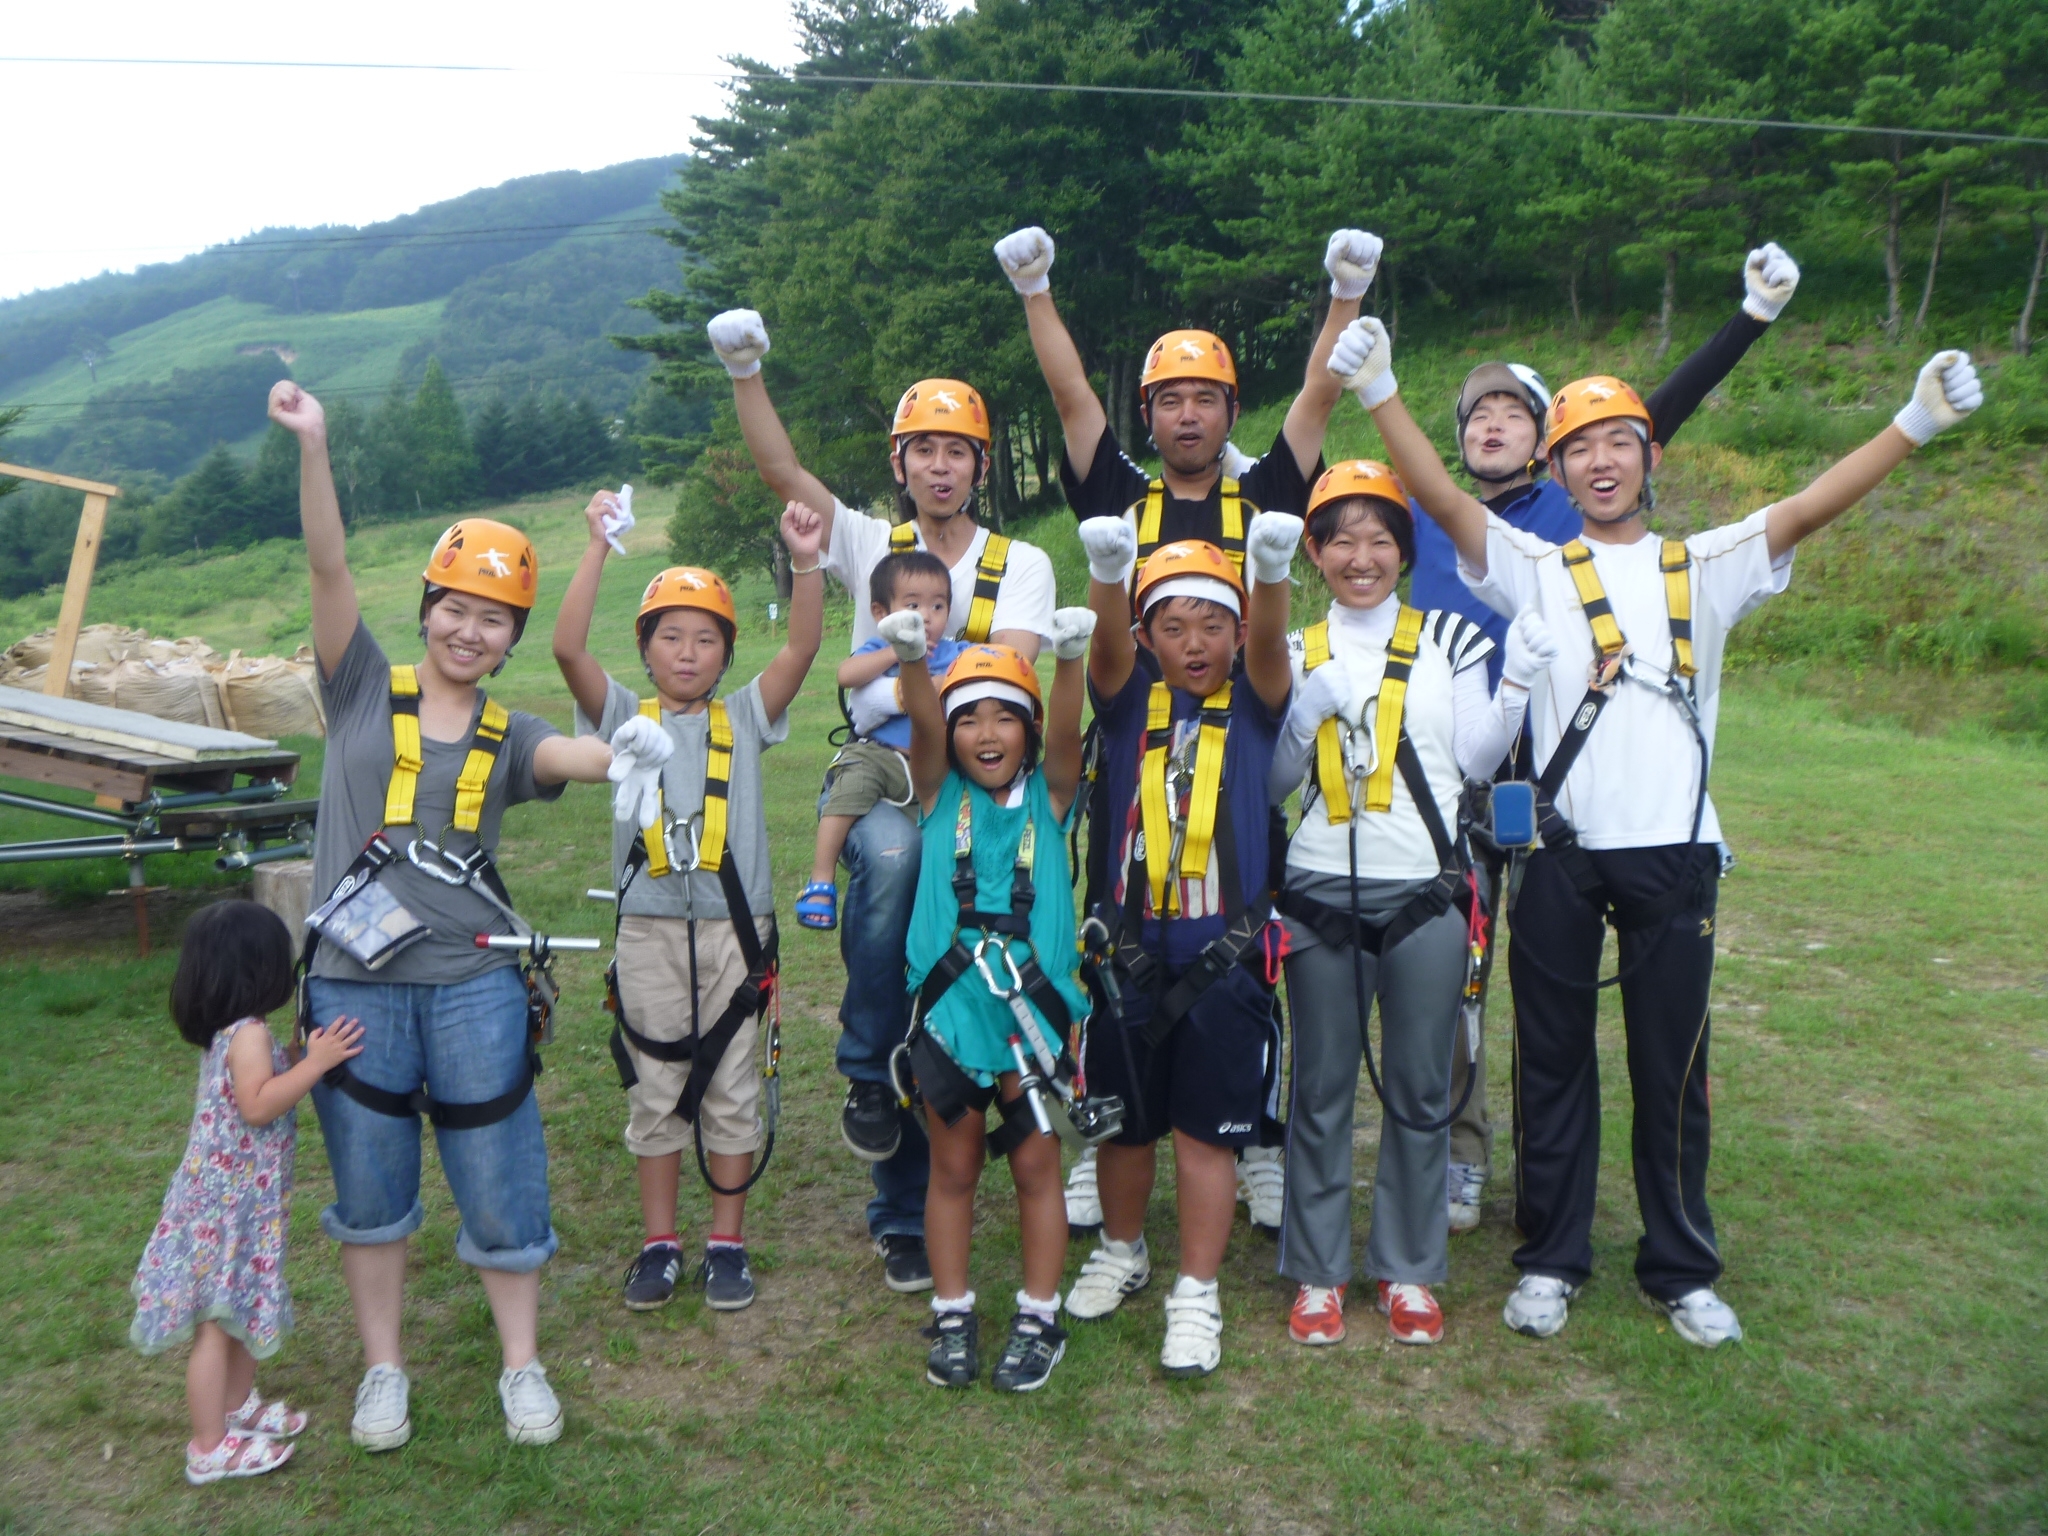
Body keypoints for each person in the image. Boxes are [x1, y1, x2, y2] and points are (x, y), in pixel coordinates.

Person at [1336, 317, 1983, 1346]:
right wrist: (1377, 391)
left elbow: (1808, 507)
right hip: (1556, 850)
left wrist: (1912, 420)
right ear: (1557, 466)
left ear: (1647, 457)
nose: (1597, 462)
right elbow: (1448, 501)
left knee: (1671, 1064)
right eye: (1578, 448)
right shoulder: (1529, 563)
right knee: (1549, 1061)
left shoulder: (1705, 563)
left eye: (1617, 443)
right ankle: (1549, 1256)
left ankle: (1679, 1266)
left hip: (1674, 852)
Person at [995, 223, 1379, 1233]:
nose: (1187, 414)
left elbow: (1317, 400)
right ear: (1151, 413)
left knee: (1243, 931)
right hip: (1134, 737)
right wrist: (1036, 289)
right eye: (1169, 398)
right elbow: (1073, 401)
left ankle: (1245, 1129)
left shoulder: (1264, 496)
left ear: (1226, 410)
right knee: (1118, 931)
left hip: (1246, 740)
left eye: (1204, 397)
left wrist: (1344, 292)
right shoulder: (1123, 498)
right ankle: (1109, 1128)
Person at [268, 381, 630, 1450]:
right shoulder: (358, 687)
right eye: (455, 608)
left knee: (498, 1173)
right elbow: (328, 565)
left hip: (472, 988)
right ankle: (384, 1370)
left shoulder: (511, 735)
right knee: (369, 1189)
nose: (469, 630)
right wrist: (317, 445)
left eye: (493, 619)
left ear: (512, 636)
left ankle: (521, 1365)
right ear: (426, 606)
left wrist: (628, 753)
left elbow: (570, 755)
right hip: (350, 987)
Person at [1415, 244, 1803, 1233]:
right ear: (1455, 438)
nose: (1491, 423)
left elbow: (1648, 412)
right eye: (1474, 414)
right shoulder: (1426, 515)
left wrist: (1749, 319)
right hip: (1452, 775)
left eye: (1512, 411)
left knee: (1554, 993)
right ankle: (1462, 1153)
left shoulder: (1566, 506)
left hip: (1562, 786)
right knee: (1454, 980)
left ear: (1547, 440)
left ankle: (1620, 1216)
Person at [705, 309, 1056, 1294]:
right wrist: (745, 371)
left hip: (984, 788)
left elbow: (1012, 686)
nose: (940, 468)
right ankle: (873, 1093)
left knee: (964, 985)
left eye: (957, 451)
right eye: (923, 451)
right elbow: (785, 476)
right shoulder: (870, 543)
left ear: (977, 466)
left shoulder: (1018, 566)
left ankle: (987, 1166)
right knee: (897, 881)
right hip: (895, 782)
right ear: (899, 464)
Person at [1265, 462, 1557, 1347]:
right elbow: (1274, 785)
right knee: (1319, 1086)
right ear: (1314, 552)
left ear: (1405, 548)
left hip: (1429, 890)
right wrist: (1297, 716)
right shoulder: (1289, 649)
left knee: (1422, 1087)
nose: (1362, 556)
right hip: (1319, 891)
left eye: (1380, 538)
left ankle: (1408, 1267)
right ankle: (1318, 1271)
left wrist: (1515, 686)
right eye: (1342, 539)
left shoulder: (1452, 641)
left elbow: (1473, 759)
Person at [552, 493, 825, 1314]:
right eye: (670, 635)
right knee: (657, 1081)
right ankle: (660, 1243)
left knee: (733, 1086)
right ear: (644, 647)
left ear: (726, 653)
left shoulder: (744, 715)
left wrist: (805, 559)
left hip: (738, 934)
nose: (687, 652)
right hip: (649, 931)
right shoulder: (619, 718)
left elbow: (805, 644)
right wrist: (597, 547)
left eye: (706, 639)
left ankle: (726, 1243)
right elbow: (566, 647)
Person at [1064, 521, 1299, 1377]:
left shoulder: (1257, 701)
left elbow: (1272, 643)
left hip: (1223, 954)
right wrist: (1107, 572)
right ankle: (1124, 1250)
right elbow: (1101, 649)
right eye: (1172, 625)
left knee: (1207, 1137)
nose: (1194, 642)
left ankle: (1196, 1290)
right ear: (1143, 636)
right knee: (1126, 1130)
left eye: (1212, 623)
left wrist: (1268, 571)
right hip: (1130, 953)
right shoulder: (1127, 704)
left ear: (1237, 632)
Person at [887, 618, 1095, 1390]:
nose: (985, 731)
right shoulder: (939, 796)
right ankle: (952, 1310)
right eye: (968, 716)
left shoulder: (1053, 795)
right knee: (954, 1165)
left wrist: (1069, 660)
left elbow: (1069, 729)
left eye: (1006, 714)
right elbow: (919, 719)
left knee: (1038, 1167)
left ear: (1030, 730)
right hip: (950, 1012)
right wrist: (914, 660)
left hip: (1034, 1018)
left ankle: (1040, 1314)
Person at [130, 900, 365, 1485]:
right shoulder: (248, 1035)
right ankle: (209, 1447)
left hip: (234, 1205)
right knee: (215, 1324)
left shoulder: (234, 1031)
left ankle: (236, 1411)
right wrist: (316, 1063)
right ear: (259, 969)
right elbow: (259, 1105)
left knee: (232, 1311)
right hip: (225, 1210)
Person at [798, 550, 969, 927]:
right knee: (850, 790)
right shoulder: (880, 649)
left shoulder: (957, 654)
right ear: (881, 613)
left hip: (933, 769)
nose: (926, 616)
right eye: (912, 606)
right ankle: (821, 880)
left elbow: (987, 667)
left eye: (938, 606)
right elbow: (847, 674)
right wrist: (898, 650)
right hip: (879, 754)